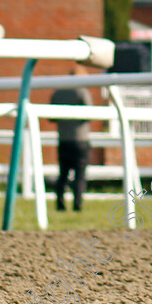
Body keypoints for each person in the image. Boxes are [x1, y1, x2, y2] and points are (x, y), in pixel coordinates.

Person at [51, 66, 93, 212]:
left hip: (63, 139)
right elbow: (89, 114)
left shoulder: (58, 92)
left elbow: (51, 117)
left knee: (63, 175)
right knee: (80, 175)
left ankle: (60, 204)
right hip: (80, 140)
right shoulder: (82, 92)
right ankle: (78, 204)